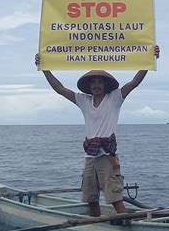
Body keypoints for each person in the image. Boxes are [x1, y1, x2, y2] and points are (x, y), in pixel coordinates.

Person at [34, 45, 160, 217]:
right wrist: (44, 68)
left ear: (105, 84)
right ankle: (96, 225)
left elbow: (134, 82)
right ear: (89, 85)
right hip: (90, 157)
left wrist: (150, 59)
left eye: (100, 82)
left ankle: (125, 223)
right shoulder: (83, 100)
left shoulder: (115, 97)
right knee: (91, 197)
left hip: (107, 157)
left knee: (115, 197)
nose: (96, 85)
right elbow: (60, 88)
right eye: (93, 82)